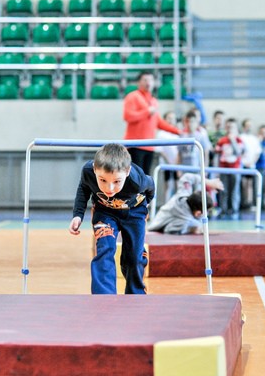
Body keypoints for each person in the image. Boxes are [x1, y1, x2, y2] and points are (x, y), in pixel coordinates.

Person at [69, 143, 154, 294]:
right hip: (105, 213)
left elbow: (151, 187)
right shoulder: (88, 171)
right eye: (102, 180)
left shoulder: (137, 180)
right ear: (95, 169)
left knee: (134, 257)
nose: (109, 189)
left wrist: (145, 204)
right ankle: (104, 296)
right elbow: (83, 188)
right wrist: (78, 215)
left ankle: (135, 293)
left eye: (117, 182)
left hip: (134, 213)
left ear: (127, 172)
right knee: (105, 249)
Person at [122, 71, 181, 175]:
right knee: (134, 177)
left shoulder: (153, 101)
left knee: (145, 177)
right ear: (139, 82)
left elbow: (158, 122)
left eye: (150, 80)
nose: (148, 82)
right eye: (145, 80)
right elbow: (128, 116)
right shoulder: (133, 96)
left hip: (149, 146)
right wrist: (147, 112)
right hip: (135, 146)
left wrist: (178, 131)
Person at [148, 173, 212, 235]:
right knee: (195, 224)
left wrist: (209, 182)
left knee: (197, 224)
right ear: (198, 213)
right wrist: (190, 229)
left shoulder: (184, 194)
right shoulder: (185, 220)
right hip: (156, 228)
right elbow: (169, 230)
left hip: (164, 220)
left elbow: (186, 177)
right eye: (204, 212)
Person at [215, 117, 245, 218]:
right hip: (224, 168)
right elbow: (217, 154)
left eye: (232, 127)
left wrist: (233, 141)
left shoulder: (239, 140)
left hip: (235, 168)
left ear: (236, 129)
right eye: (228, 127)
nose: (230, 129)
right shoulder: (221, 140)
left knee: (235, 190)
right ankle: (223, 209)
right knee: (223, 190)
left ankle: (234, 209)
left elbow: (239, 152)